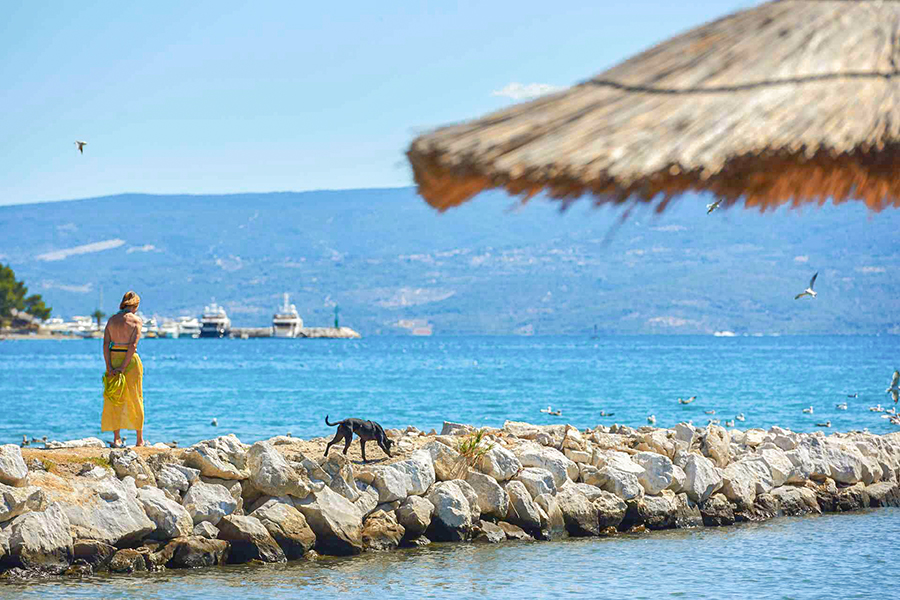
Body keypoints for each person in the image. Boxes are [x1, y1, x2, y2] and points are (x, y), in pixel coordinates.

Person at [101, 291, 145, 447]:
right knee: (136, 397)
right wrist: (123, 367)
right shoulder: (136, 321)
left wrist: (110, 366)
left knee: (115, 398)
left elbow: (106, 344)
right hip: (130, 361)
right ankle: (139, 439)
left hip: (113, 357)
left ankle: (117, 438)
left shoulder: (112, 320)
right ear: (135, 305)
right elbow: (133, 346)